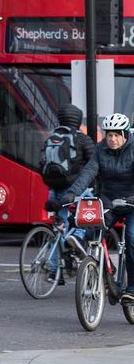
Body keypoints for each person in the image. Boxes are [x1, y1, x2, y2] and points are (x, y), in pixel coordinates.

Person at [61, 113, 134, 303]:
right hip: (109, 200)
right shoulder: (101, 149)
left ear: (125, 135)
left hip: (132, 201)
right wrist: (72, 193)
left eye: (117, 135)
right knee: (91, 231)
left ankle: (132, 288)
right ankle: (105, 271)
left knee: (132, 238)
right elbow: (88, 172)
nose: (112, 139)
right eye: (109, 135)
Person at [42, 104, 95, 281]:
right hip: (73, 189)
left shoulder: (51, 137)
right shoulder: (82, 139)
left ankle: (53, 271)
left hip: (53, 189)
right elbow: (94, 163)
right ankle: (76, 237)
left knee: (58, 227)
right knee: (87, 214)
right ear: (78, 120)